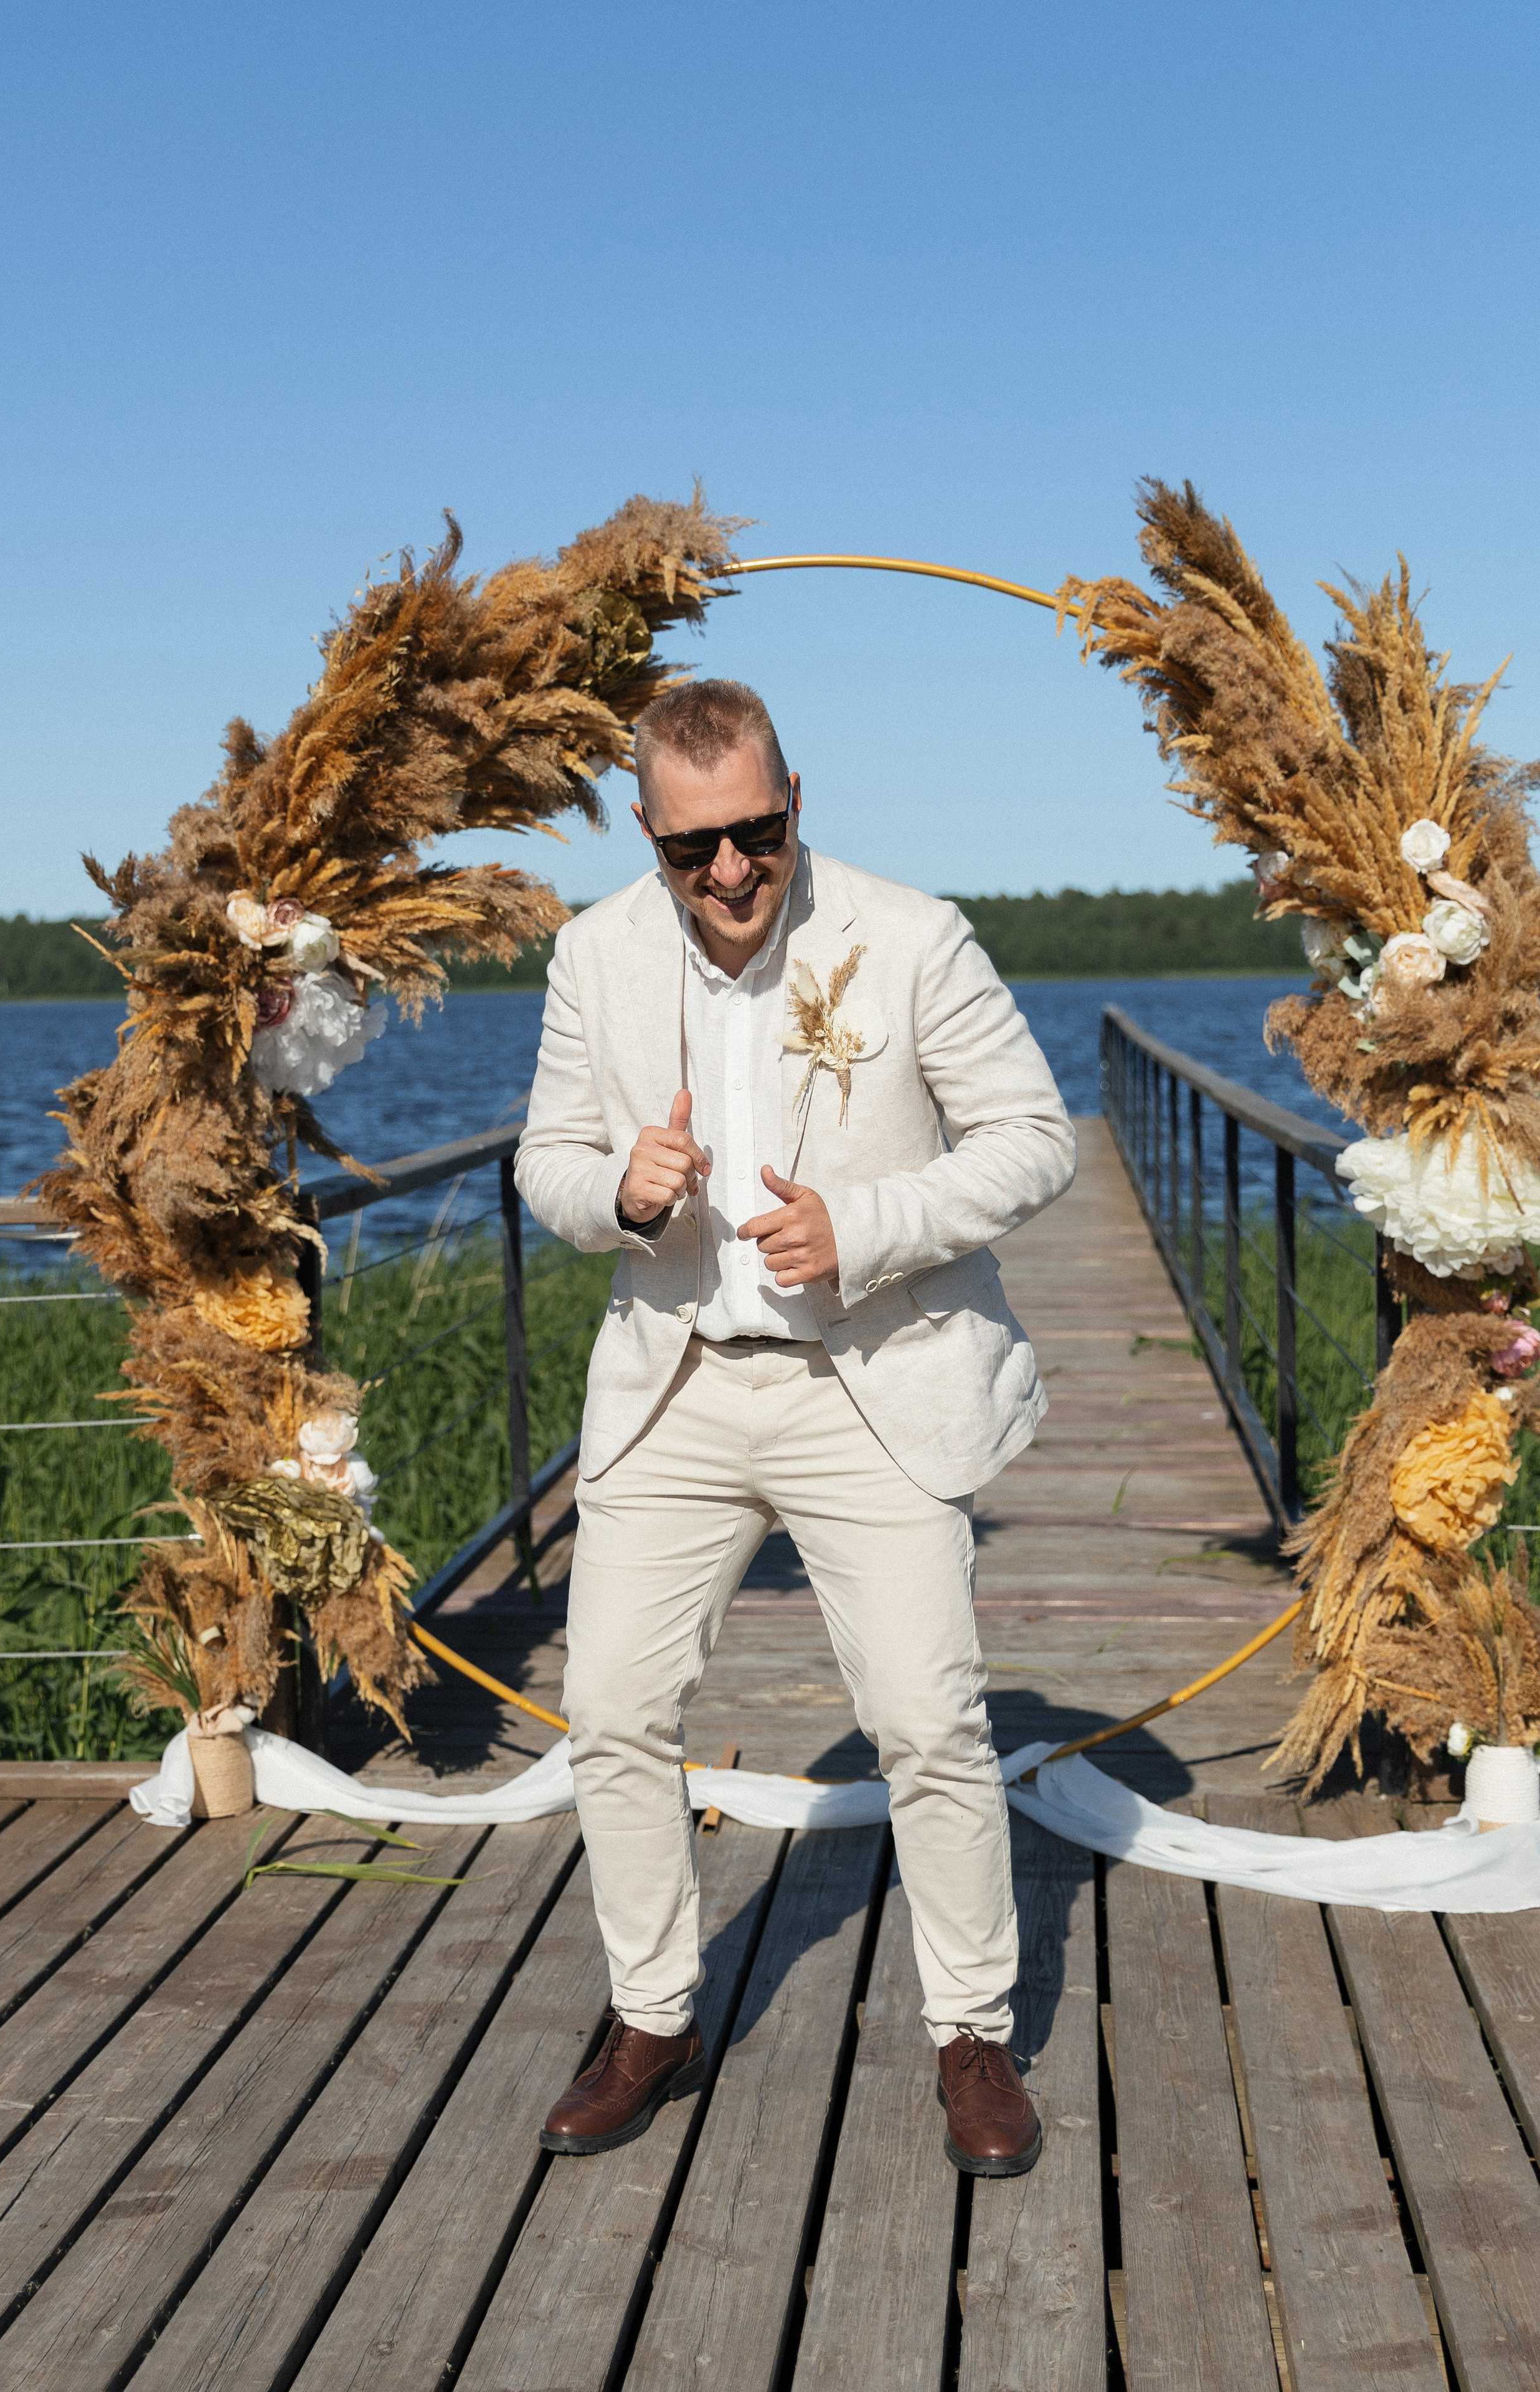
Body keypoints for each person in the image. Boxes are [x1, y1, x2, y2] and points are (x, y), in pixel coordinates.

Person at [515, 679, 1075, 2173]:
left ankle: (972, 2035)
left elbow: (1035, 1136)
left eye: (753, 833)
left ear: (793, 802)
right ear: (647, 831)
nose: (729, 873)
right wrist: (616, 1197)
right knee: (612, 1711)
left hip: (865, 1382)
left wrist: (871, 1223)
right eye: (691, 848)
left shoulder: (910, 937)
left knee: (925, 1722)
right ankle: (652, 2015)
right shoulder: (592, 955)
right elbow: (545, 1162)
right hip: (677, 1381)